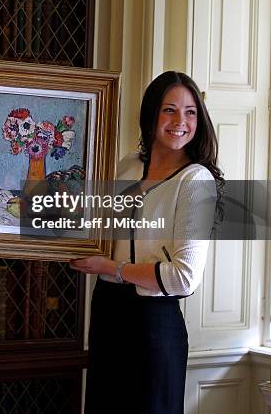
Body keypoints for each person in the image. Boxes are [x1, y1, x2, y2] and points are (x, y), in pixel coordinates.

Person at [69, 70, 223, 414]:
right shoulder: (125, 165)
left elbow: (183, 277)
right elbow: (77, 213)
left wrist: (113, 268)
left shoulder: (196, 180)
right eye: (169, 110)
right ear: (150, 114)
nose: (180, 121)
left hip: (155, 325)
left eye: (190, 111)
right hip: (107, 312)